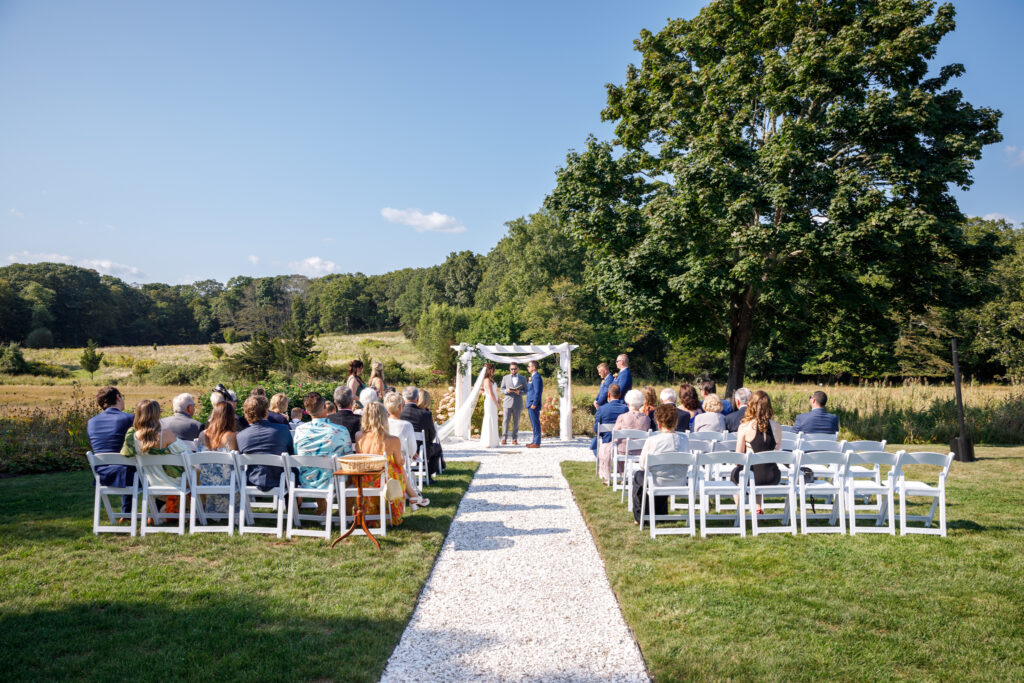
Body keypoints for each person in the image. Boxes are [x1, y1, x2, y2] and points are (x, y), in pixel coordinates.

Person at [121, 399, 189, 514]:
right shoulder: (166, 434)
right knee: (196, 472)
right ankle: (192, 511)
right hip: (174, 482)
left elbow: (126, 454)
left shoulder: (134, 436)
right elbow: (187, 453)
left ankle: (168, 511)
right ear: (157, 415)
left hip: (151, 482)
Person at [293, 392, 354, 514]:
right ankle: (345, 512)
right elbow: (349, 458)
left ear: (306, 410)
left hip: (307, 480)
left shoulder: (299, 430)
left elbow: (296, 453)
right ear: (325, 407)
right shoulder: (340, 431)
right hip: (335, 481)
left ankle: (322, 508)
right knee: (350, 473)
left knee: (316, 469)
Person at [631, 404, 690, 524]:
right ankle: (661, 514)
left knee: (639, 475)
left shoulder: (652, 440)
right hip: (680, 480)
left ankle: (640, 517)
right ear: (676, 421)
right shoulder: (684, 439)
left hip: (657, 481)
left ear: (658, 423)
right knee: (660, 473)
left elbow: (643, 465)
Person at [356, 402, 408, 525]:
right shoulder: (393, 440)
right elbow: (399, 462)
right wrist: (402, 460)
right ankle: (394, 510)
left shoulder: (359, 436)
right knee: (398, 468)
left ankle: (371, 513)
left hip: (365, 480)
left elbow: (360, 458)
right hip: (384, 482)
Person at [86, 386, 135, 515]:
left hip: (102, 474)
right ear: (118, 397)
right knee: (152, 467)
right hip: (129, 476)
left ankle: (127, 513)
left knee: (127, 463)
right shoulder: (129, 419)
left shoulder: (91, 422)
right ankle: (159, 513)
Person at [733, 390, 784, 513]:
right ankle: (757, 508)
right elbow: (775, 452)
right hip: (773, 476)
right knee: (757, 470)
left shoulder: (745, 427)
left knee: (736, 474)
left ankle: (740, 511)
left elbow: (738, 458)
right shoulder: (777, 427)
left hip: (753, 476)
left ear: (751, 405)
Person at [236, 395, 294, 491]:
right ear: (266, 412)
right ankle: (292, 504)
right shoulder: (283, 430)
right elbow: (291, 454)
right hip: (281, 479)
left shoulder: (241, 436)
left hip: (252, 479)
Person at [384, 392, 430, 507]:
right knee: (405, 460)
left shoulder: (382, 423)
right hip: (400, 460)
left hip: (384, 459)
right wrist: (412, 453)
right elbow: (412, 449)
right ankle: (413, 495)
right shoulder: (406, 425)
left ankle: (412, 494)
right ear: (400, 407)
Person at [598, 389, 650, 484]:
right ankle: (623, 476)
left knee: (607, 447)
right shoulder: (646, 419)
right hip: (640, 450)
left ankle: (614, 476)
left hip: (623, 450)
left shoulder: (622, 417)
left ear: (628, 403)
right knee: (619, 445)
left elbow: (615, 433)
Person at [197, 402, 239, 515]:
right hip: (227, 482)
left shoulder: (202, 435)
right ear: (231, 417)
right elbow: (236, 463)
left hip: (205, 482)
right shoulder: (232, 437)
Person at [401, 386, 444, 476]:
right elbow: (432, 435)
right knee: (437, 448)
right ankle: (429, 474)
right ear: (417, 398)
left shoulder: (399, 413)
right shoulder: (426, 414)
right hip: (422, 450)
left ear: (403, 398)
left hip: (403, 451)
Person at [590, 383, 628, 455]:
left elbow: (596, 429)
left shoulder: (601, 409)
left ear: (608, 394)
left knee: (594, 445)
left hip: (606, 441)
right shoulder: (625, 409)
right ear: (620, 395)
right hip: (621, 442)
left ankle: (601, 462)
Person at [500, 362, 528, 445]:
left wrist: (520, 392)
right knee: (505, 421)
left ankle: (514, 439)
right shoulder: (505, 378)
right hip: (507, 402)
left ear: (518, 368)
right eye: (512, 369)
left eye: (515, 368)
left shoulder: (523, 378)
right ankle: (504, 438)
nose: (513, 370)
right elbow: (501, 390)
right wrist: (506, 391)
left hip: (518, 402)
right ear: (509, 369)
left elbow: (526, 391)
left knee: (516, 421)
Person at [526, 360, 544, 448]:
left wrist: (534, 403)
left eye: (529, 366)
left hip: (533, 404)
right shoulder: (532, 376)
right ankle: (534, 441)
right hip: (530, 403)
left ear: (534, 367)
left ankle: (537, 442)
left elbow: (538, 392)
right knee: (533, 423)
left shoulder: (536, 377)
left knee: (536, 423)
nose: (528, 368)